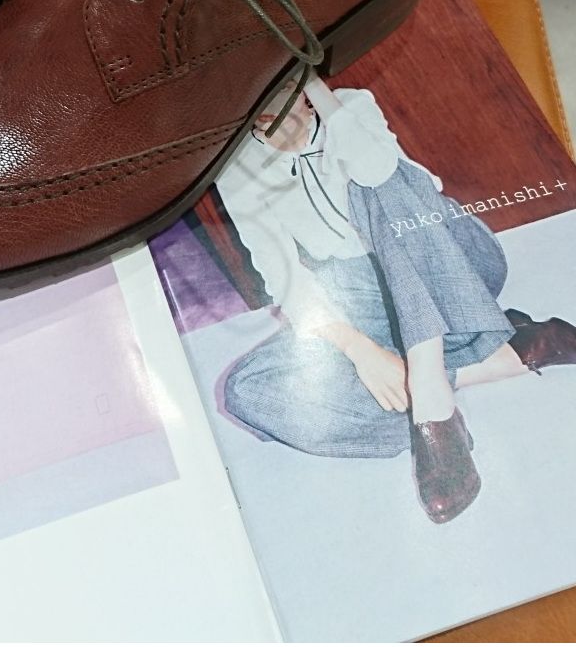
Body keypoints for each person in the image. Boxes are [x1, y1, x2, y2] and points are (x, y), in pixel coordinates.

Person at [217, 73, 576, 523]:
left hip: (446, 260)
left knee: (377, 184)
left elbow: (380, 173)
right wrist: (361, 351)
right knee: (249, 391)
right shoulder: (237, 169)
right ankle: (489, 360)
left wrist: (320, 94)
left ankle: (432, 402)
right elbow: (282, 274)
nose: (276, 104)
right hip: (363, 295)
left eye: (288, 83)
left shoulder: (348, 106)